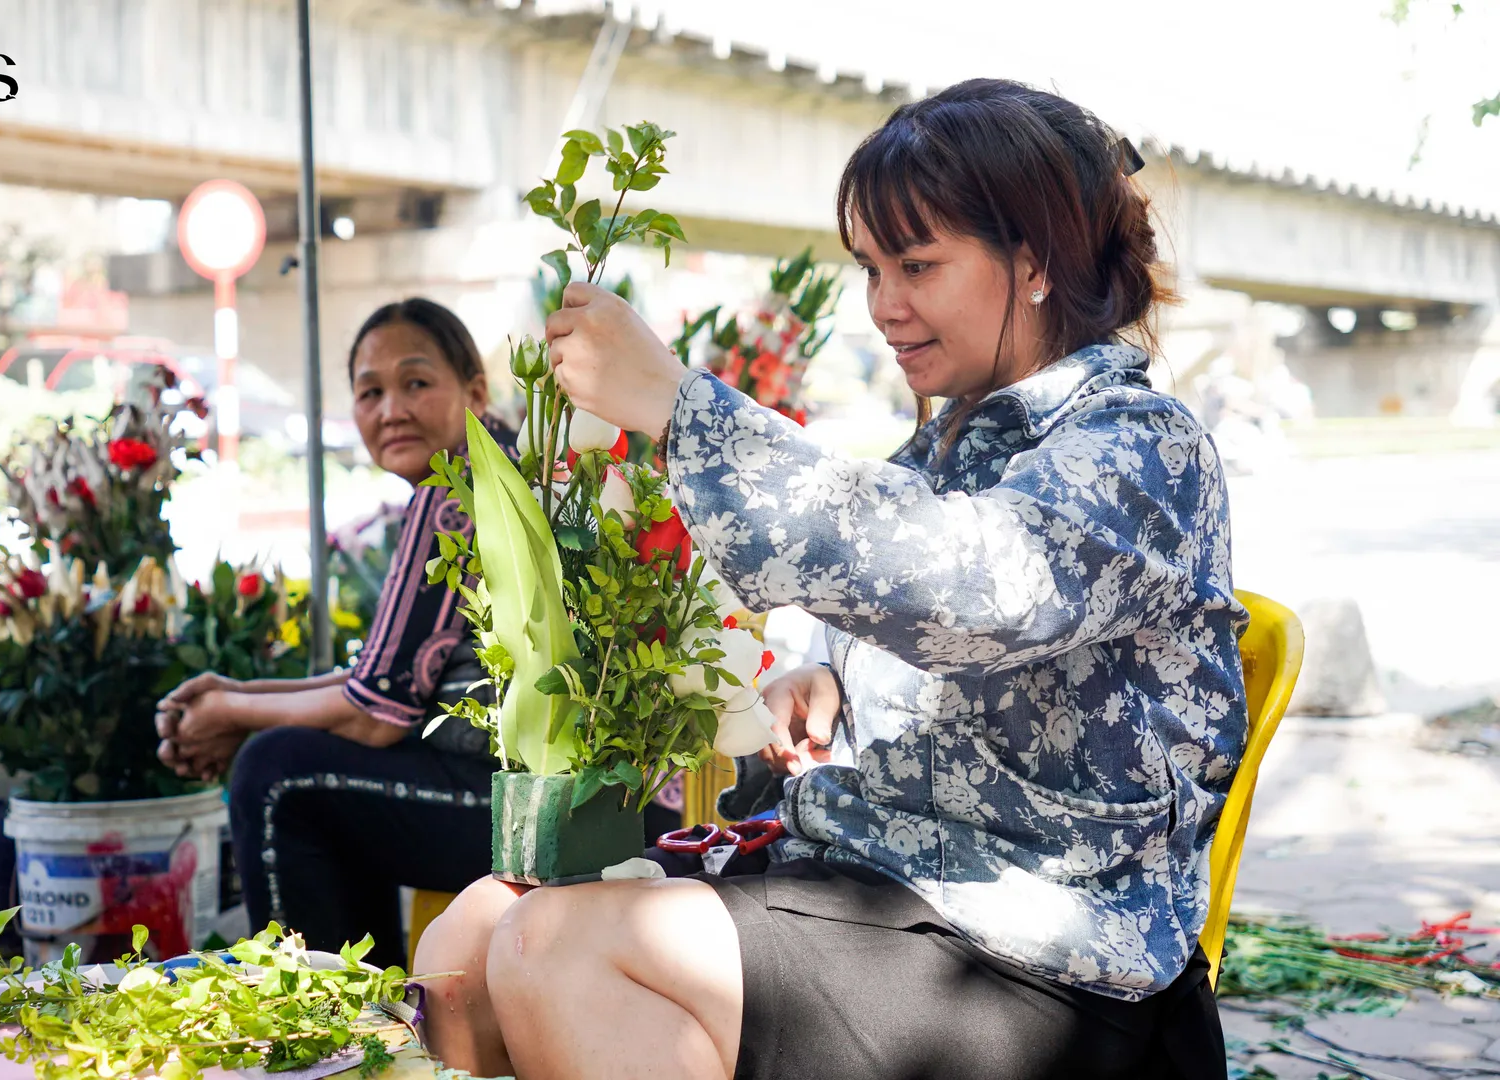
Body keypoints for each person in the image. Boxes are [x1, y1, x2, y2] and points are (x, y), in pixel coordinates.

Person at [416, 79, 1244, 1080]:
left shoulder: (1138, 441)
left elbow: (977, 590)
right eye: (871, 268)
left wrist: (683, 409)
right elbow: (944, 627)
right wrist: (836, 687)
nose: (884, 307)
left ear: (1035, 262)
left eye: (919, 265)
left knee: (555, 948)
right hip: (892, 886)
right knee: (465, 945)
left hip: (1043, 954)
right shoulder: (945, 446)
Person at [154, 298, 681, 970]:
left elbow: (375, 717)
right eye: (370, 392)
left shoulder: (462, 484)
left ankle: (324, 1032)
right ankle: (376, 1018)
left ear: (476, 391)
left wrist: (231, 713)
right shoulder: (506, 465)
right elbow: (384, 683)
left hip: (550, 810)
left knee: (280, 776)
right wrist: (235, 695)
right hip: (602, 801)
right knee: (304, 764)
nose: (391, 409)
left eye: (416, 383)